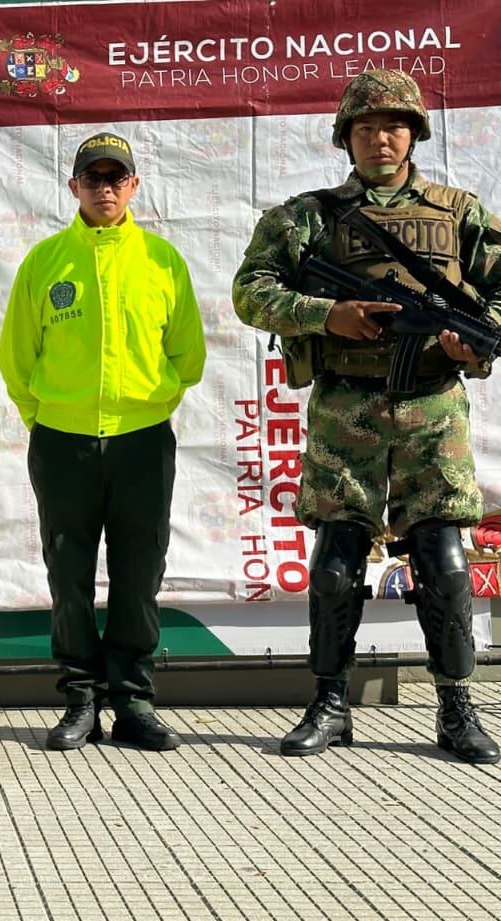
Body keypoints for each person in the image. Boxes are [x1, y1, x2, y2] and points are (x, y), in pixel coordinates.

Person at [232, 69, 501, 764]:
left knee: (442, 562)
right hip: (345, 408)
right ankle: (328, 702)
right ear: (345, 138)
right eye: (365, 128)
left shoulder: (458, 212)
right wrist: (330, 314)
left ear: (415, 134)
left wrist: (470, 338)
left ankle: (455, 706)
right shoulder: (309, 216)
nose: (380, 139)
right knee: (335, 563)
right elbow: (251, 289)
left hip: (432, 409)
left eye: (394, 126)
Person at [0, 132, 206, 752]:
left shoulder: (162, 261)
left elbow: (187, 357)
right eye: (94, 178)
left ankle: (134, 701)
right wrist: (49, 417)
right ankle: (80, 698)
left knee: (139, 572)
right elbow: (17, 359)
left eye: (118, 178)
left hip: (142, 441)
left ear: (135, 186)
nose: (106, 188)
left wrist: (147, 405)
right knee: (68, 572)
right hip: (63, 443)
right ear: (74, 187)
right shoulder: (46, 262)